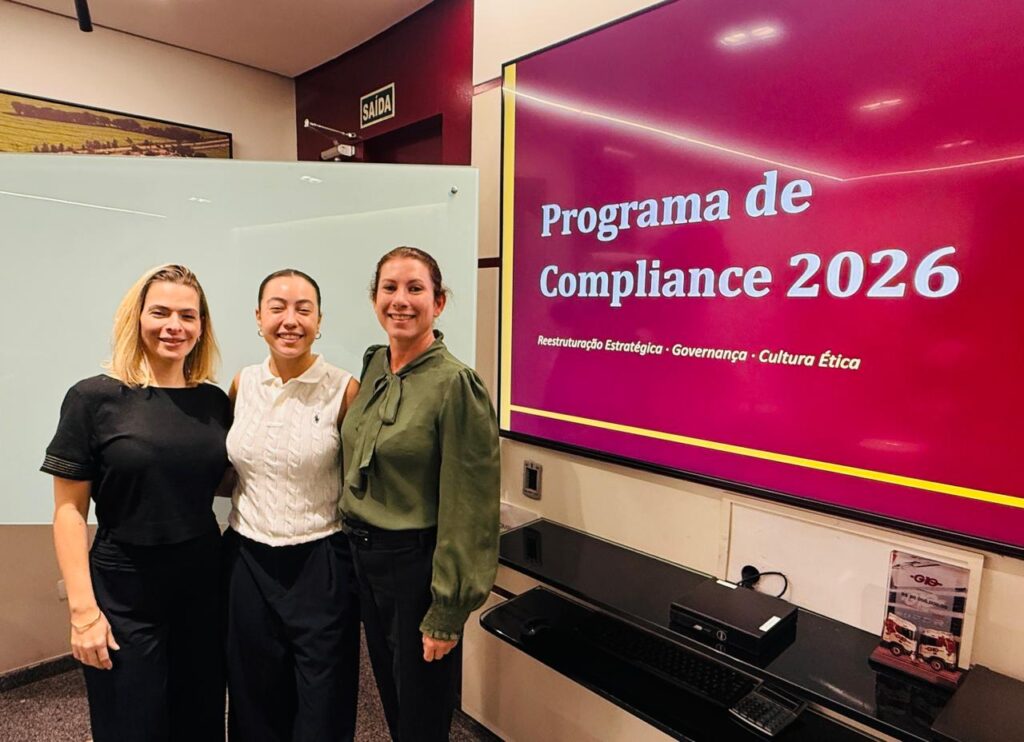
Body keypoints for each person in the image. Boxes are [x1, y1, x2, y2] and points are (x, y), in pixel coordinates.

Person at [42, 264, 230, 742]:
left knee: (200, 719)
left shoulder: (213, 402)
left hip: (204, 582)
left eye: (187, 315)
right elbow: (69, 512)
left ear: (201, 326)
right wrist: (83, 613)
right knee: (130, 722)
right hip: (124, 587)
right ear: (137, 318)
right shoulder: (92, 398)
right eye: (160, 312)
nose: (174, 326)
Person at [341, 246, 500, 741]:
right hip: (362, 558)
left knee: (421, 712)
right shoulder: (375, 364)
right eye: (389, 288)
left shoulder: (456, 385)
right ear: (374, 299)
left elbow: (470, 507)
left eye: (415, 289)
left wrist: (447, 610)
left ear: (439, 302)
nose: (401, 300)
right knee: (391, 698)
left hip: (414, 568)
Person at [222, 269, 361, 742]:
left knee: (324, 698)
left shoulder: (344, 389)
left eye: (304, 309)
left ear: (319, 321)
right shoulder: (242, 384)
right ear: (258, 317)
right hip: (246, 559)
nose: (290, 320)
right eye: (277, 308)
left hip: (321, 560)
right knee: (252, 694)